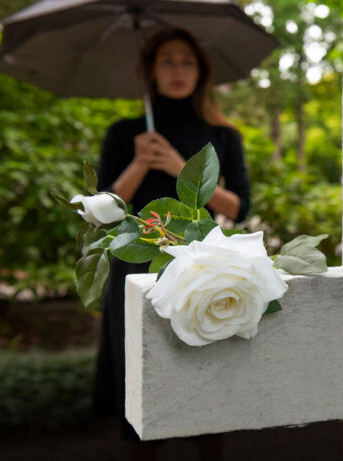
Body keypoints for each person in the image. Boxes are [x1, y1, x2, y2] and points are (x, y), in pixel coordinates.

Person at [92, 28, 250, 442]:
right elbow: (104, 212)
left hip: (200, 265)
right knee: (139, 380)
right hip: (135, 263)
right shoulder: (126, 132)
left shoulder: (222, 135)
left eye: (187, 61)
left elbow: (237, 207)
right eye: (167, 60)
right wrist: (140, 163)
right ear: (151, 72)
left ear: (201, 72)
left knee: (204, 368)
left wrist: (184, 168)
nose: (178, 70)